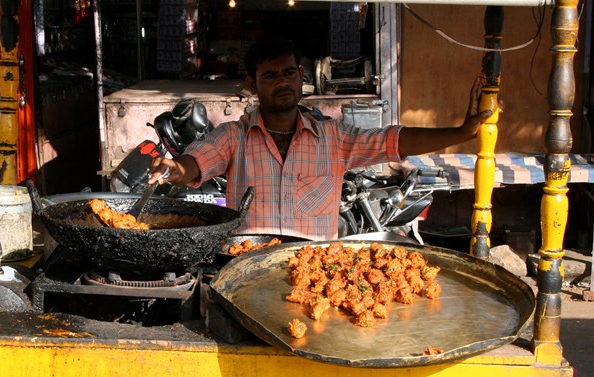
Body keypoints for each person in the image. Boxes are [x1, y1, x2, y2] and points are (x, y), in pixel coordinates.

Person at [147, 37, 494, 241]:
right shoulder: (234, 137)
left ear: (301, 77)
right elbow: (194, 164)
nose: (282, 82)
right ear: (253, 85)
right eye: (270, 76)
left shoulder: (334, 138)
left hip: (311, 272)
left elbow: (392, 142)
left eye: (288, 73)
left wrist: (461, 133)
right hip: (247, 272)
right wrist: (174, 168)